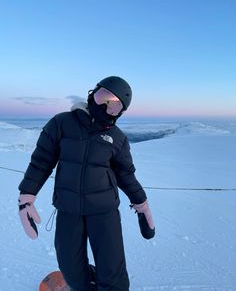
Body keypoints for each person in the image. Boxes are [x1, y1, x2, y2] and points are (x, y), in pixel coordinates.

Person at [18, 76, 155, 291]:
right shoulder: (62, 123)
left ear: (120, 113)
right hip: (68, 209)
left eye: (114, 105)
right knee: (71, 269)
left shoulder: (117, 139)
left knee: (112, 272)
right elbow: (41, 160)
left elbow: (126, 175)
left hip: (104, 211)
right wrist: (27, 195)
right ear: (92, 94)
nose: (105, 105)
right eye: (103, 97)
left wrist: (142, 204)